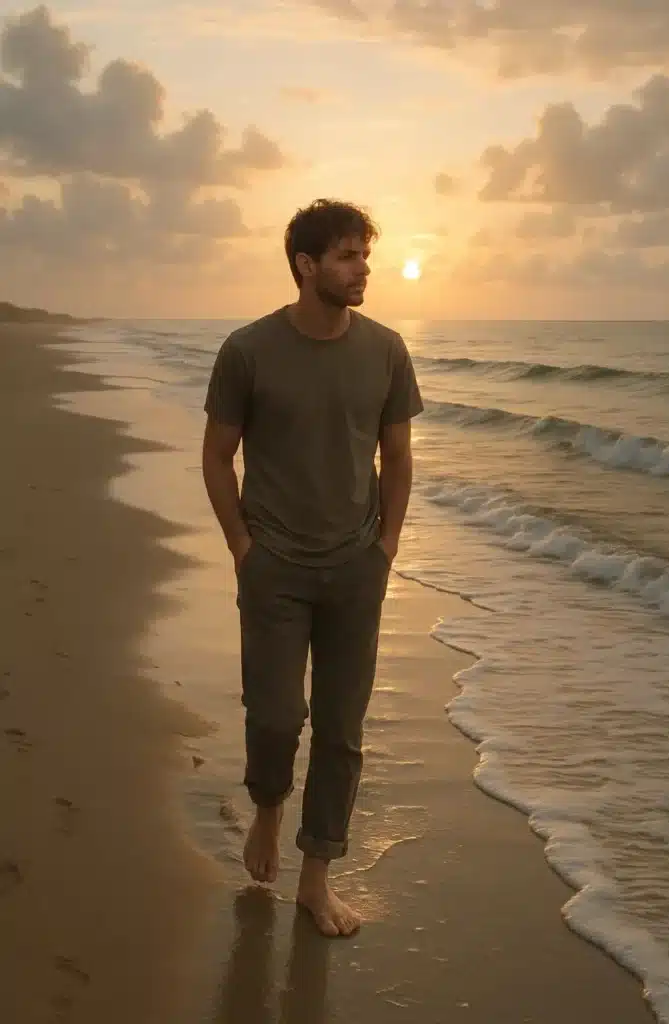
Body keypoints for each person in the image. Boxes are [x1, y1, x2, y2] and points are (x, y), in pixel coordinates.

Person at [202, 198, 423, 938]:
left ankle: (317, 877)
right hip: (274, 565)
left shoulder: (386, 350)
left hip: (356, 565)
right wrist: (242, 547)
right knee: (273, 717)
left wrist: (386, 548)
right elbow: (216, 456)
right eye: (347, 256)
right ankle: (268, 808)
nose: (363, 269)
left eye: (365, 255)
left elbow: (397, 457)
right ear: (306, 265)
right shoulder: (247, 351)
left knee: (340, 729)